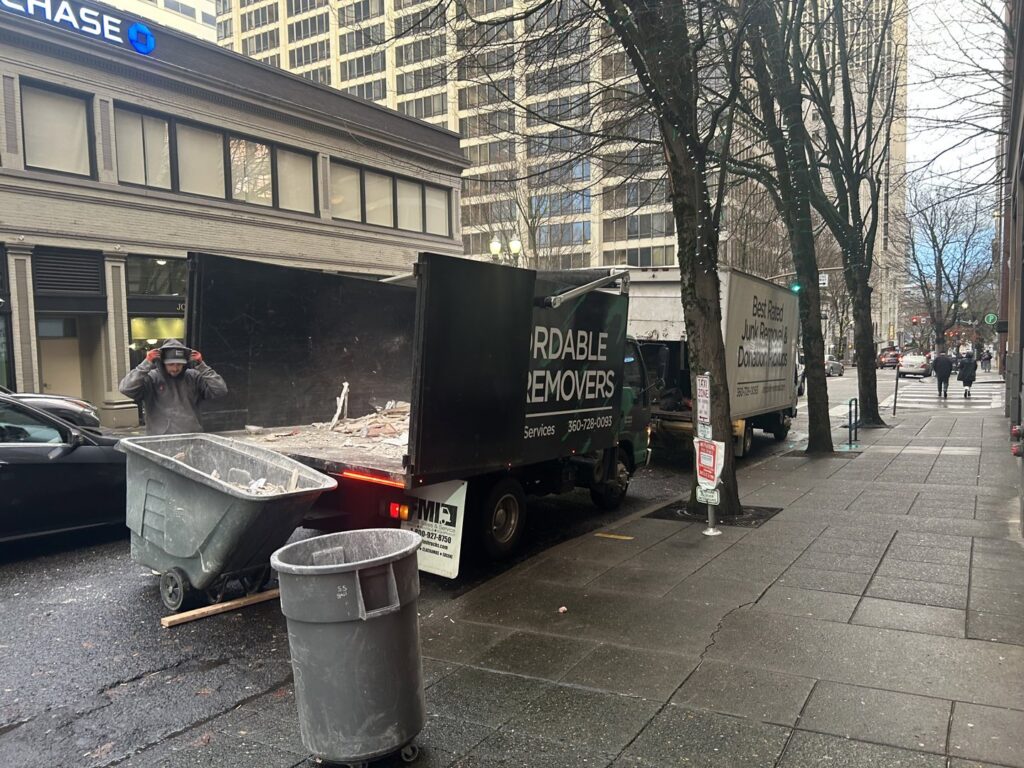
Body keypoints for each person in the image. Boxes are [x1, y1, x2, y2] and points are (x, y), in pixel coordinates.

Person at [119, 339, 228, 435]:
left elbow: (220, 390)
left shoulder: (194, 377)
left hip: (191, 437)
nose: (175, 368)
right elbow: (126, 388)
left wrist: (202, 366)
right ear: (162, 363)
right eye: (170, 364)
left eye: (179, 364)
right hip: (159, 440)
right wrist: (146, 364)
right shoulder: (151, 378)